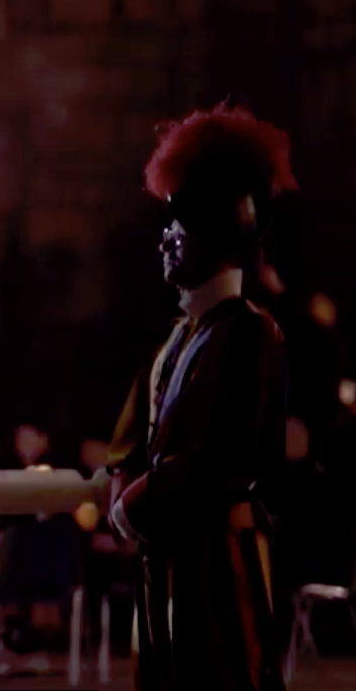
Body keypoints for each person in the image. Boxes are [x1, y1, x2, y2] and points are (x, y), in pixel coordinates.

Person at [106, 104, 291, 691]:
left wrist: (138, 504)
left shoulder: (250, 333)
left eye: (178, 223)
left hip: (218, 567)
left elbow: (214, 459)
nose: (166, 237)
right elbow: (140, 440)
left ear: (213, 229)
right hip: (173, 562)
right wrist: (126, 485)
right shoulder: (181, 338)